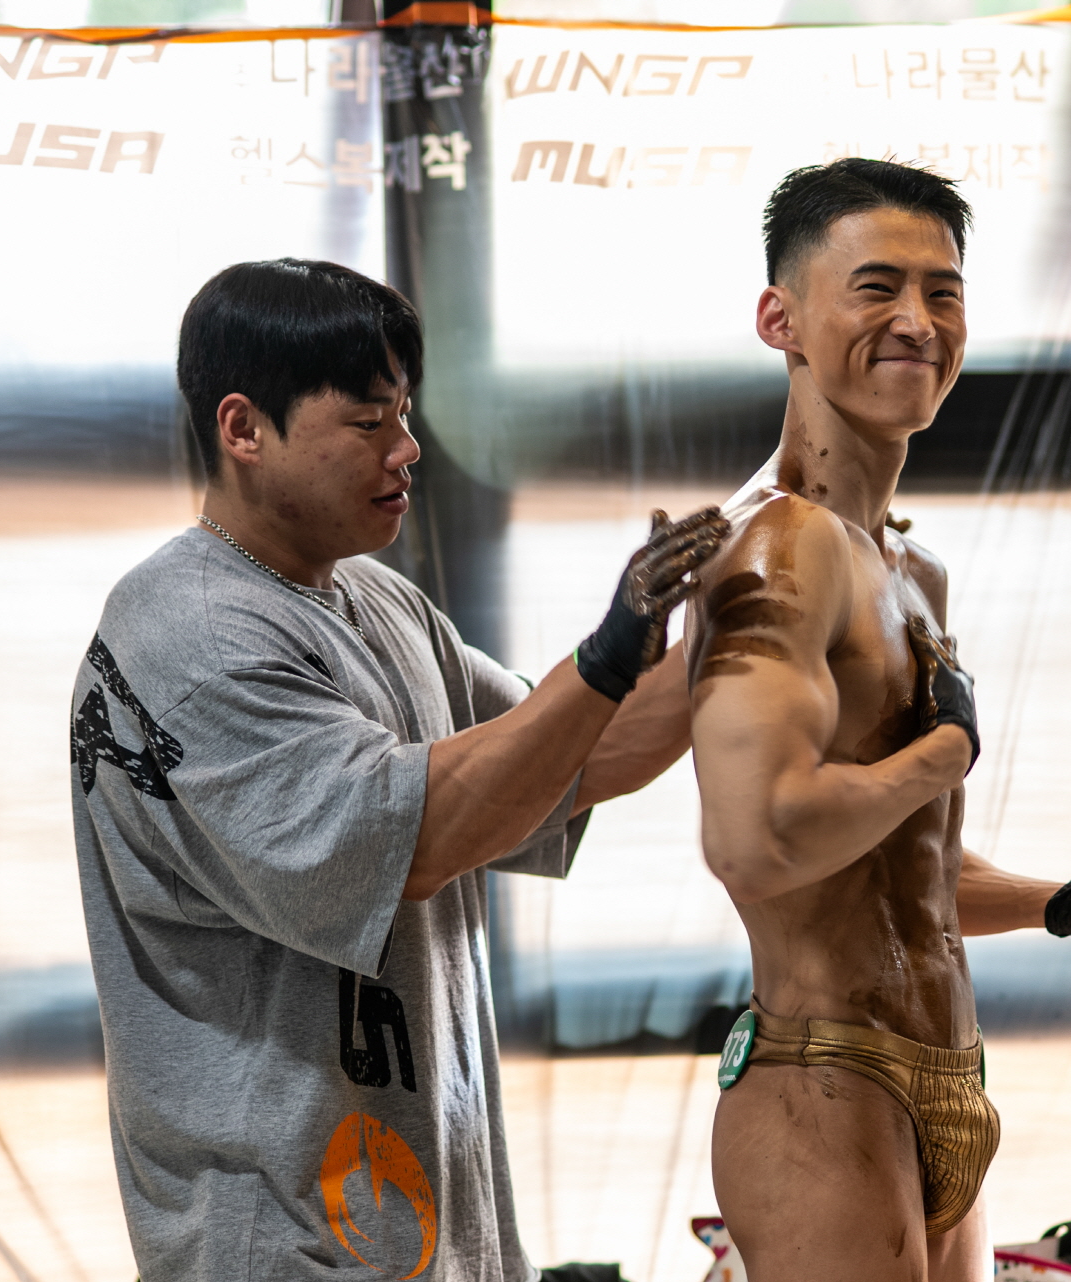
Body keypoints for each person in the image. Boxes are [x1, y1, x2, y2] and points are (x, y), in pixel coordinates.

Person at [69, 258, 727, 1281]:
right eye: (369, 420)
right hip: (281, 1238)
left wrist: (749, 604)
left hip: (421, 1224)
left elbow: (573, 753)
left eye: (406, 414)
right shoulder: (189, 634)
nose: (407, 448)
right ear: (243, 429)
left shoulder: (380, 601)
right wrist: (604, 658)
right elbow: (416, 838)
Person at [689, 159, 1071, 1282]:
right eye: (876, 288)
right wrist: (942, 753)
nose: (917, 322)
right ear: (781, 321)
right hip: (824, 1081)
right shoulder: (777, 546)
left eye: (944, 292)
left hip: (947, 1076)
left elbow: (893, 859)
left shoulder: (910, 567)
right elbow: (758, 840)